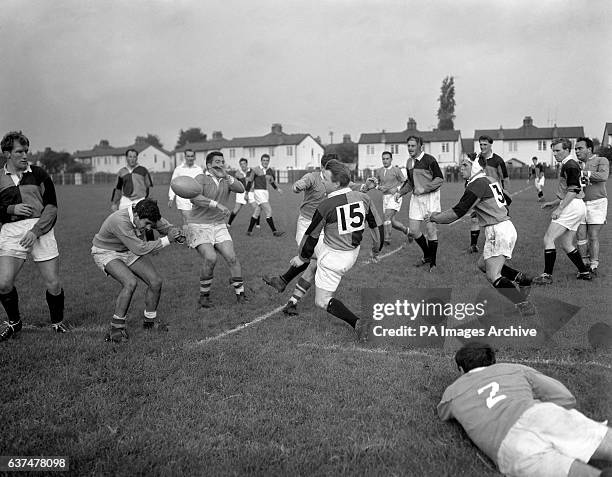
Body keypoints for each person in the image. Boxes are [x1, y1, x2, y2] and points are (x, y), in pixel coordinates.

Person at [438, 341, 612, 477]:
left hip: (506, 446)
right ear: (493, 362)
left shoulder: (452, 392)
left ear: (461, 369)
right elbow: (565, 398)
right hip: (538, 414)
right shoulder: (514, 369)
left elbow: (443, 413)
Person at [288, 160, 383, 341]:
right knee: (314, 253)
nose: (322, 181)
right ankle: (285, 278)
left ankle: (359, 324)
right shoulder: (363, 197)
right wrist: (376, 249)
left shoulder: (326, 205)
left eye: (325, 178)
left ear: (336, 183)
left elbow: (312, 235)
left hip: (335, 258)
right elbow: (376, 225)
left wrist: (301, 257)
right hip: (351, 251)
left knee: (322, 301)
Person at [426, 156, 534, 315]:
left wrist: (434, 217)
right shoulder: (489, 179)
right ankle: (522, 279)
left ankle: (524, 305)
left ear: (475, 167)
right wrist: (486, 208)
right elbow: (507, 198)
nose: (460, 168)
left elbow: (457, 213)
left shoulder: (477, 184)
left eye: (465, 165)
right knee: (482, 265)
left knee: (493, 275)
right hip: (504, 227)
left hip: (498, 230)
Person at [0, 131, 69, 341]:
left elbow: (52, 208)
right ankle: (14, 322)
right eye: (19, 152)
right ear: (6, 154)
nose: (24, 156)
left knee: (53, 284)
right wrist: (12, 209)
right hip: (11, 232)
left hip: (41, 229)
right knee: (3, 283)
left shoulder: (39, 174)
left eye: (26, 151)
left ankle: (57, 322)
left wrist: (35, 231)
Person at [91, 199, 183, 342]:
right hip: (106, 251)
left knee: (156, 281)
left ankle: (149, 324)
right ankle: (116, 329)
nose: (148, 228)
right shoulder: (119, 221)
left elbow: (165, 227)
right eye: (146, 223)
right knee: (130, 282)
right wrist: (167, 240)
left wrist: (177, 233)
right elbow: (140, 248)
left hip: (128, 249)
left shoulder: (147, 214)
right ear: (136, 215)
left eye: (150, 225)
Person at [186, 151, 246, 308]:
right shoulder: (201, 179)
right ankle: (204, 297)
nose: (220, 164)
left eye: (222, 161)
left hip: (218, 225)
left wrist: (227, 176)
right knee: (211, 258)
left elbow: (241, 188)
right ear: (209, 165)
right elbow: (193, 197)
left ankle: (241, 294)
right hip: (198, 225)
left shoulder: (226, 180)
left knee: (232, 257)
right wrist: (216, 204)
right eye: (217, 161)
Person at [533, 138, 592, 285]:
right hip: (577, 206)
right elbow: (571, 191)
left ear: (567, 150)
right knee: (566, 243)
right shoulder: (568, 164)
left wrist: (559, 209)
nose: (555, 153)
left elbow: (574, 190)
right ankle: (584, 272)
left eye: (558, 150)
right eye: (553, 150)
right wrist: (554, 203)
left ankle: (547, 276)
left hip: (572, 206)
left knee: (548, 239)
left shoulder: (570, 165)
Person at [394, 135, 444, 271]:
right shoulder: (409, 162)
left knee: (430, 230)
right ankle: (427, 255)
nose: (410, 148)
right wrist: (400, 192)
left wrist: (425, 188)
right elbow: (410, 183)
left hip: (431, 198)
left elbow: (439, 179)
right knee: (414, 230)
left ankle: (433, 263)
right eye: (408, 146)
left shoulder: (430, 160)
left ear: (420, 146)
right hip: (416, 199)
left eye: (413, 146)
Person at [469, 136, 510, 253]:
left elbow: (505, 179)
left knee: (497, 222)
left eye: (485, 144)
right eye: (481, 144)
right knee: (474, 220)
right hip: (479, 194)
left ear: (491, 145)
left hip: (495, 196)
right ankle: (473, 245)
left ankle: (499, 246)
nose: (482, 147)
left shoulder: (498, 160)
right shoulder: (477, 160)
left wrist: (506, 196)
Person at [575, 137, 608, 276]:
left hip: (597, 202)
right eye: (575, 149)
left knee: (593, 235)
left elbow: (603, 176)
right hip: (580, 203)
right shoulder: (576, 165)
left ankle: (594, 264)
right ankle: (584, 263)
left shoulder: (601, 160)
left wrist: (585, 173)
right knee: (580, 235)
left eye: (580, 148)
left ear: (589, 149)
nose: (577, 151)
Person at [111, 148, 155, 241]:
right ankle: (126, 244)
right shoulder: (121, 172)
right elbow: (118, 188)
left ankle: (147, 244)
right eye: (130, 156)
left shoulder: (143, 170)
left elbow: (148, 186)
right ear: (126, 158)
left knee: (143, 223)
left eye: (134, 157)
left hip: (140, 199)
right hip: (126, 200)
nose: (132, 159)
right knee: (122, 222)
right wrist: (115, 203)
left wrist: (145, 200)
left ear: (137, 158)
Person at [371, 151, 409, 245]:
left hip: (395, 196)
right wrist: (379, 187)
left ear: (391, 159)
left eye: (387, 158)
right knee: (392, 222)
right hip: (385, 197)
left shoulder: (396, 170)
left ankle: (387, 239)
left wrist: (397, 188)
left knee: (387, 216)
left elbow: (405, 182)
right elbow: (375, 184)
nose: (385, 160)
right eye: (383, 159)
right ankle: (408, 231)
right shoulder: (379, 171)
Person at [246, 154, 284, 236]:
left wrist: (277, 189)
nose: (265, 162)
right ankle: (275, 231)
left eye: (267, 160)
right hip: (258, 192)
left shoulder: (270, 170)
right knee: (269, 210)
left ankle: (249, 231)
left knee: (257, 211)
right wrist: (246, 193)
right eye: (264, 160)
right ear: (261, 161)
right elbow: (250, 182)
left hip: (265, 193)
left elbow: (272, 182)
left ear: (269, 161)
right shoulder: (256, 170)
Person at [168, 149, 204, 224]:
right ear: (185, 157)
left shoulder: (199, 169)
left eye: (192, 156)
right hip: (182, 199)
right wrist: (171, 198)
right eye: (188, 156)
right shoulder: (178, 169)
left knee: (189, 221)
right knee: (188, 218)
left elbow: (202, 184)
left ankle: (187, 235)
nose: (190, 158)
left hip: (195, 199)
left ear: (194, 157)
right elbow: (173, 183)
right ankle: (189, 234)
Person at [227, 158, 254, 227]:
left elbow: (254, 181)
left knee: (256, 208)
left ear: (247, 164)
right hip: (241, 193)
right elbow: (236, 184)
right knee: (236, 210)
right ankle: (229, 223)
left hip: (251, 192)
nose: (243, 165)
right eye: (241, 164)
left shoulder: (252, 171)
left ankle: (257, 224)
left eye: (244, 163)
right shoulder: (237, 173)